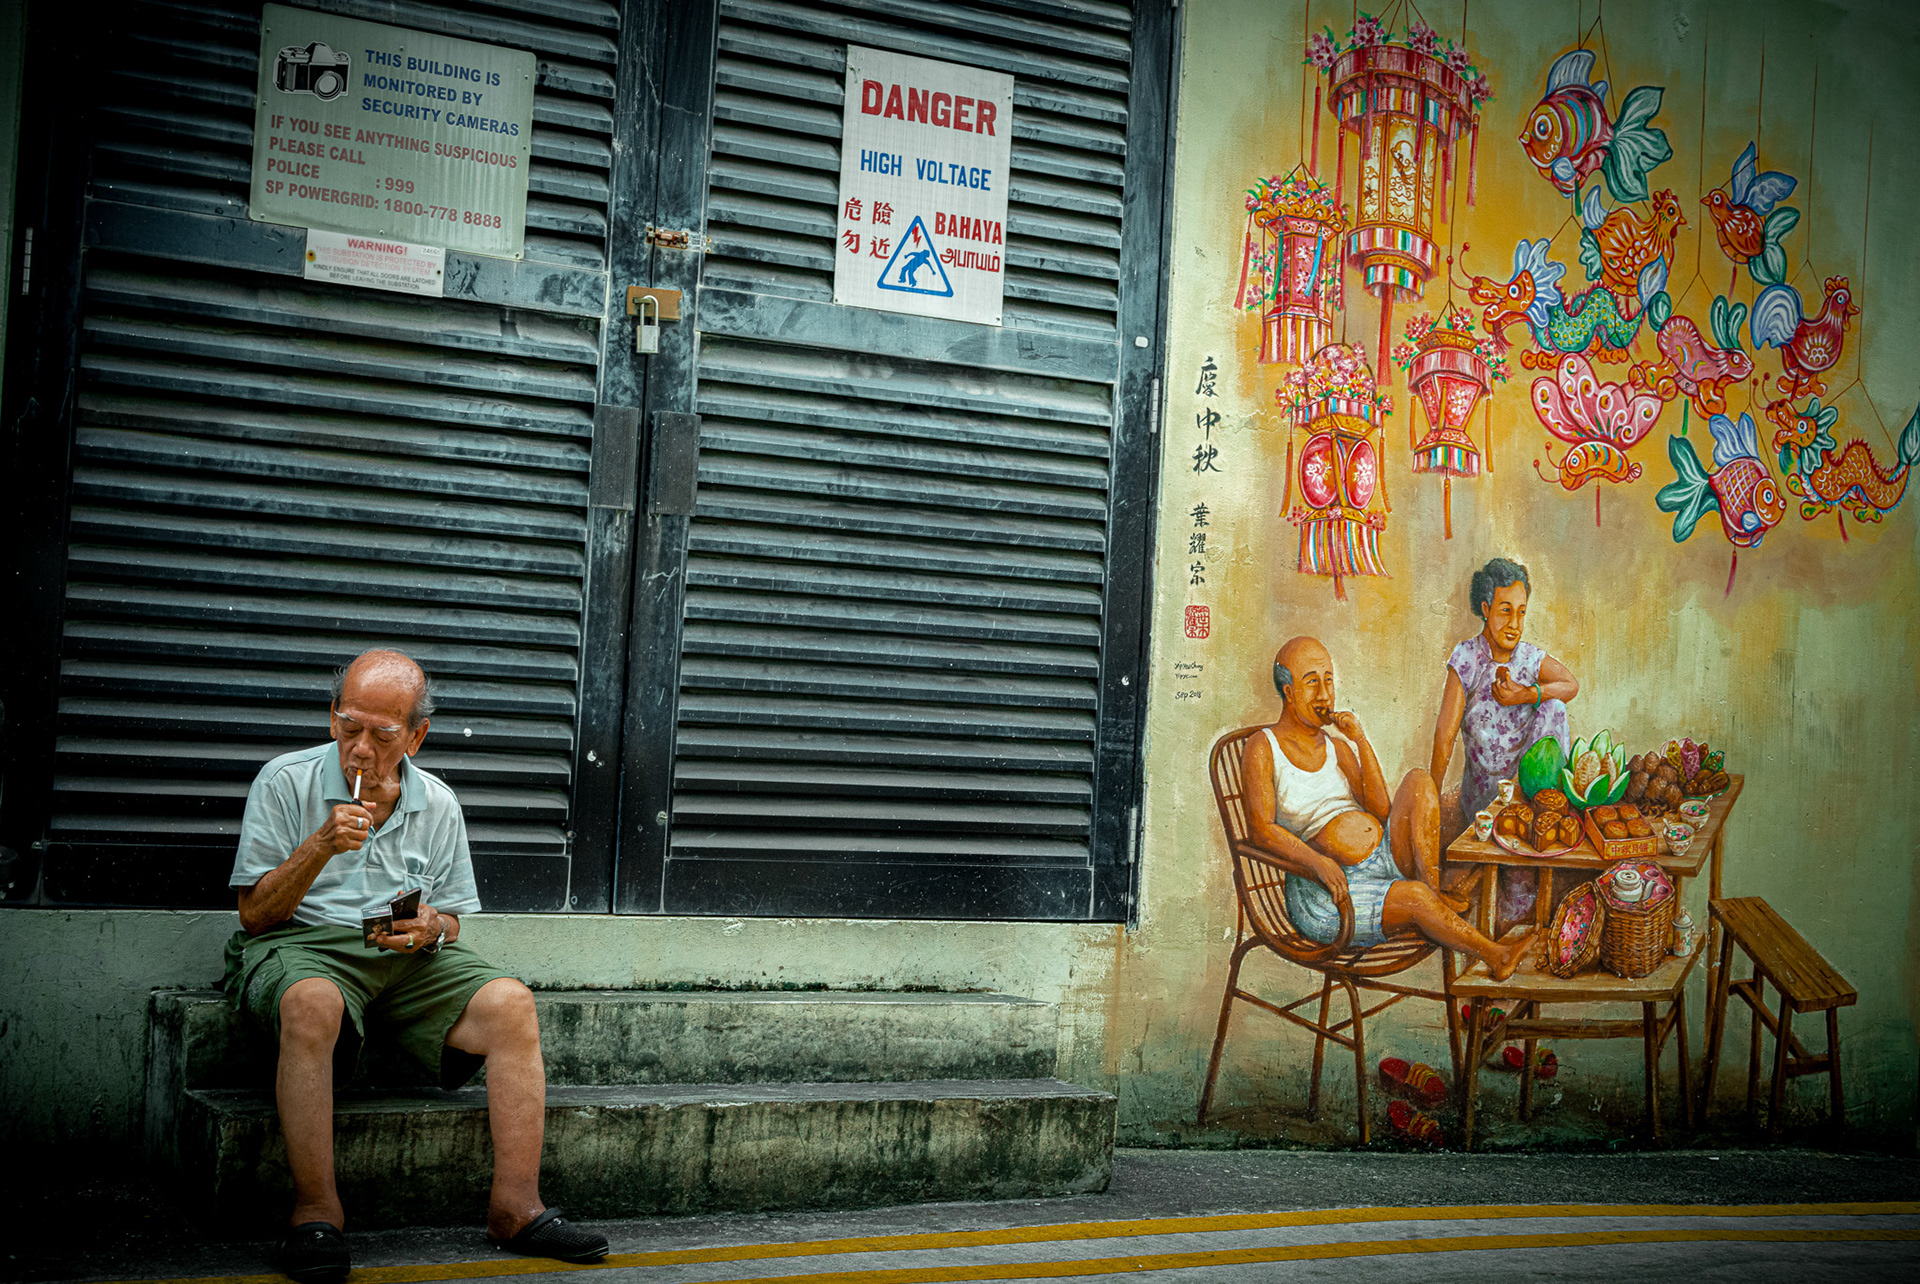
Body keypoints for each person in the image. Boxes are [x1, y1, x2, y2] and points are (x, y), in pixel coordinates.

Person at [225, 650, 609, 1282]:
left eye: (382, 735)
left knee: (511, 1004)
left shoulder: (437, 802)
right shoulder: (285, 781)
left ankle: (516, 1208)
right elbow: (255, 916)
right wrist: (320, 845)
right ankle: (316, 1213)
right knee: (312, 1003)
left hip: (400, 953)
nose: (360, 750)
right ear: (332, 717)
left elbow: (452, 918)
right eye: (349, 727)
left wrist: (433, 927)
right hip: (304, 944)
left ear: (416, 736)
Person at [1242, 636, 1534, 980]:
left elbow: (1382, 810)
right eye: (1312, 683)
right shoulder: (1264, 747)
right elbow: (1262, 830)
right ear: (1289, 692)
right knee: (1414, 898)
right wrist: (1317, 862)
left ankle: (1433, 891)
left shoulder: (1339, 749)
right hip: (1327, 892)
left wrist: (1360, 740)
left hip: (1382, 865)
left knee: (1419, 781)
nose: (1324, 695)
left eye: (1328, 680)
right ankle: (1496, 955)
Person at [1430, 557, 1580, 924]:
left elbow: (1570, 684)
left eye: (1521, 612)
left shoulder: (1529, 658)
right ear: (1485, 609)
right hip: (1487, 796)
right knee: (1509, 898)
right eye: (1505, 611)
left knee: (1554, 707)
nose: (1514, 623)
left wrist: (1525, 695)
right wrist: (1430, 800)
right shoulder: (1466, 658)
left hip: (1529, 793)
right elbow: (1445, 735)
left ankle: (1542, 820)